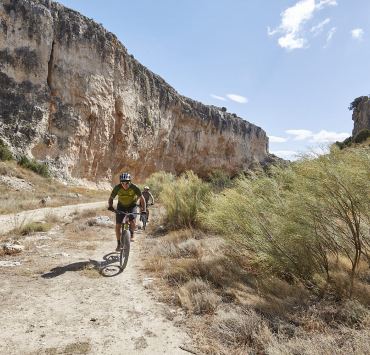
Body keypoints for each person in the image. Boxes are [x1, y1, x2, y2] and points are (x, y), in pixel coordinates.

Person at [108, 172, 146, 251]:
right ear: (120, 182)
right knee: (118, 225)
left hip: (132, 206)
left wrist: (144, 210)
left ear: (130, 181)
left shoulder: (134, 187)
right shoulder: (117, 188)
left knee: (132, 222)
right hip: (121, 206)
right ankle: (118, 244)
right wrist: (110, 206)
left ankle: (132, 234)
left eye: (127, 182)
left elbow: (142, 199)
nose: (125, 184)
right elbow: (111, 198)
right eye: (123, 182)